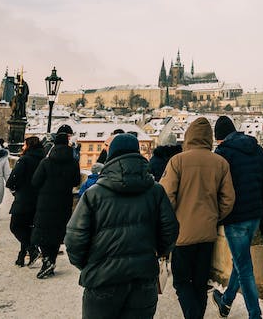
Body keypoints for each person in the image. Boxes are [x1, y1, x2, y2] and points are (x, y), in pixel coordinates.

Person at [66, 133, 180, 319]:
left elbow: (74, 239)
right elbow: (170, 230)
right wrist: (157, 253)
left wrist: (89, 265)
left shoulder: (94, 194)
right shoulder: (156, 191)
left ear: (111, 155)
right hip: (143, 278)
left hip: (103, 280)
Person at [161, 117, 235, 319]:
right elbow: (228, 199)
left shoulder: (177, 161)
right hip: (207, 233)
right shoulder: (220, 162)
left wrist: (175, 219)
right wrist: (214, 216)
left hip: (182, 233)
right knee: (200, 283)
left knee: (182, 281)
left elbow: (166, 196)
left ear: (189, 137)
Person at [211, 117, 263, 319]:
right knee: (241, 262)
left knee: (244, 267)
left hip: (235, 218)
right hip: (255, 215)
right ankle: (226, 301)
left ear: (219, 139)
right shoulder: (256, 148)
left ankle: (255, 315)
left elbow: (216, 190)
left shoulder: (221, 154)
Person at [31, 131, 80, 279]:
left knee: (43, 231)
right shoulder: (73, 163)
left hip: (46, 201)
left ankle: (47, 260)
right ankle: (51, 260)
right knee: (57, 232)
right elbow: (76, 181)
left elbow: (35, 181)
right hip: (63, 201)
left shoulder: (46, 162)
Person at [6, 136, 46, 267]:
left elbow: (13, 179)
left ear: (28, 146)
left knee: (16, 226)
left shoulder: (24, 160)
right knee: (27, 227)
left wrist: (14, 187)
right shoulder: (44, 160)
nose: (23, 147)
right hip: (38, 199)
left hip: (24, 198)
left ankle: (32, 249)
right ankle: (21, 257)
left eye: (24, 145)